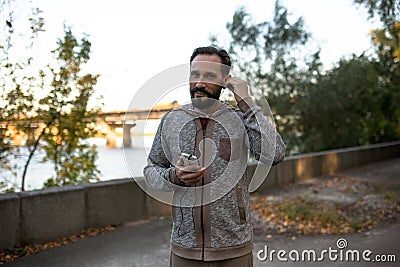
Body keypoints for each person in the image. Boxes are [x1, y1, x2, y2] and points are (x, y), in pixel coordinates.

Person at [143, 46, 285, 267]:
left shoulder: (241, 119)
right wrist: (174, 176)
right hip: (184, 249)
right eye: (195, 74)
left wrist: (246, 102)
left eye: (209, 76)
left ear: (224, 81)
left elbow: (275, 154)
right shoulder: (171, 121)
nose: (199, 83)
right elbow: (151, 169)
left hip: (234, 248)